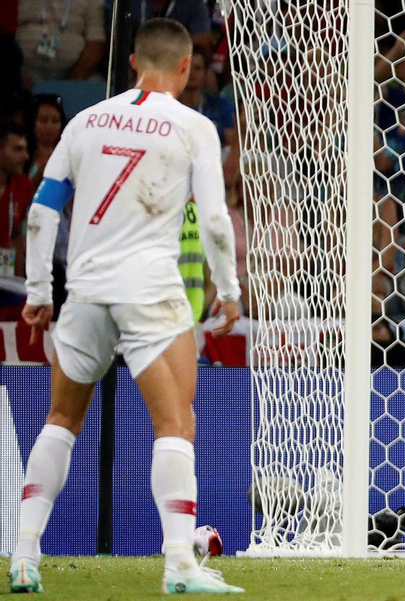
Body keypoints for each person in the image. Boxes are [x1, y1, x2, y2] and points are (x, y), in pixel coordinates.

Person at [13, 19, 242, 594]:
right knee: (175, 423)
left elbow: (42, 213)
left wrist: (40, 294)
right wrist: (230, 290)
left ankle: (22, 557)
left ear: (133, 63)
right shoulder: (193, 127)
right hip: (151, 292)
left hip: (85, 290)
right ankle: (180, 566)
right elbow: (215, 220)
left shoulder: (84, 122)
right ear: (186, 68)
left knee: (61, 421)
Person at [1, 124, 32, 278]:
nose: (26, 156)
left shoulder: (23, 186)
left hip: (6, 278)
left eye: (25, 149)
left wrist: (20, 286)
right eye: (18, 150)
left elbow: (17, 237)